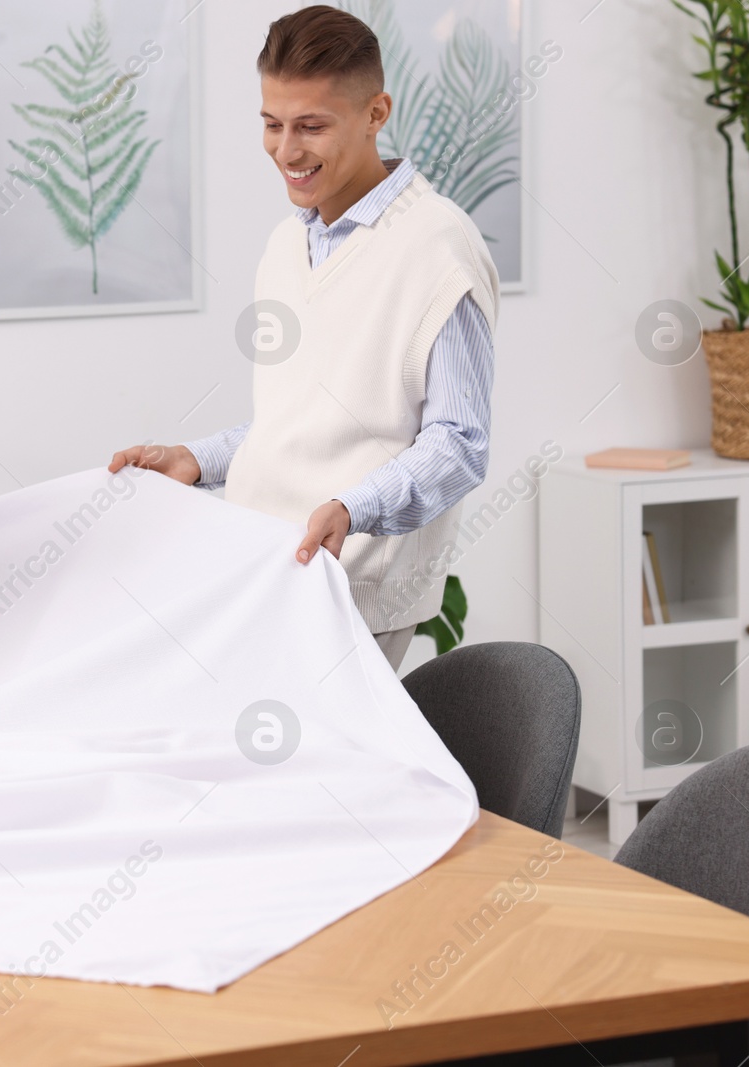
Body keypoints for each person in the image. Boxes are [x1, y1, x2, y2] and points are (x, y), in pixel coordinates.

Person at [108, 5, 498, 672]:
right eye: (272, 124)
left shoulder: (437, 245)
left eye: (311, 126)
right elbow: (300, 419)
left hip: (351, 590)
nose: (287, 150)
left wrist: (356, 505)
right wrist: (196, 460)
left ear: (377, 113)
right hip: (263, 571)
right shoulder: (288, 243)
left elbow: (460, 444)